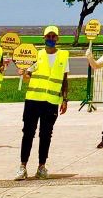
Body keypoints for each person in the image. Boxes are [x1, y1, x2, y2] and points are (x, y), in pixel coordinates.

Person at [16, 25, 69, 180]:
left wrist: (65, 99)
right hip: (33, 100)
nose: (51, 39)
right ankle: (22, 166)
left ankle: (41, 166)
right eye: (48, 36)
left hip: (51, 102)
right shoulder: (36, 55)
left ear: (57, 38)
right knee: (28, 133)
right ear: (44, 38)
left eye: (53, 36)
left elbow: (64, 80)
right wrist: (23, 73)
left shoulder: (63, 56)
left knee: (46, 135)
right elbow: (27, 76)